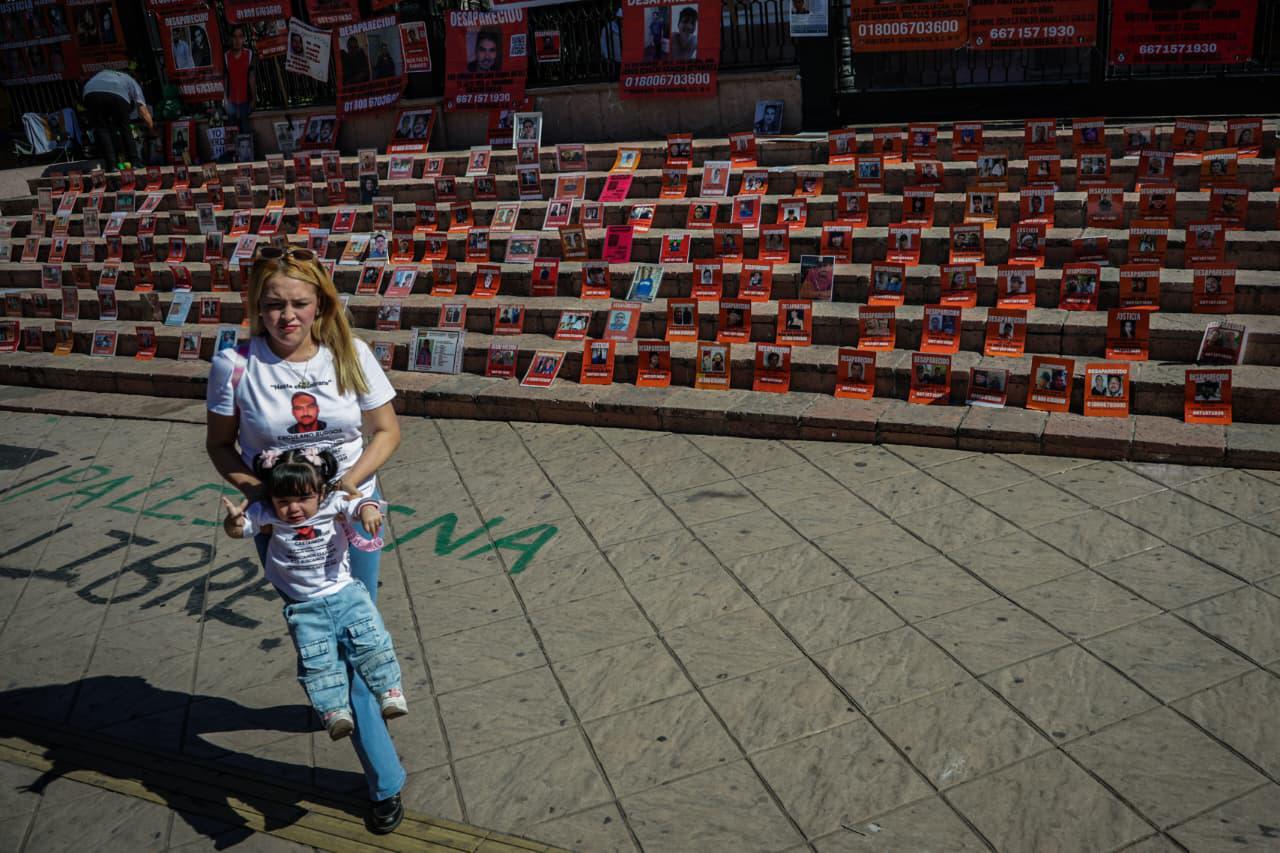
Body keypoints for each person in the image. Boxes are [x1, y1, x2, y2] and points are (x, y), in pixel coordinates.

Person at [205, 247, 406, 834]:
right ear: (256, 306)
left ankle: (383, 778)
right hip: (285, 527)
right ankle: (351, 720)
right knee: (323, 633)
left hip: (352, 516)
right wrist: (264, 497)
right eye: (273, 305)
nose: (286, 316)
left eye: (299, 303)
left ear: (321, 304)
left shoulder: (350, 353)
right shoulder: (234, 365)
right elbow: (220, 444)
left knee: (353, 632)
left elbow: (387, 431)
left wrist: (346, 486)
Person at [220, 447, 408, 739]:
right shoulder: (266, 514)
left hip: (346, 593)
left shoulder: (332, 504)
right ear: (272, 499)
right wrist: (233, 522)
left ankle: (389, 691)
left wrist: (369, 510)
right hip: (304, 606)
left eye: (303, 499)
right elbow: (239, 530)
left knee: (371, 640)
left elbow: (358, 504)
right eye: (284, 502)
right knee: (317, 661)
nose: (294, 508)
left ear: (320, 493)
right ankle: (334, 711)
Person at [83, 68, 154, 170]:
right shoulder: (131, 80)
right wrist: (151, 129)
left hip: (90, 93)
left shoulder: (104, 74)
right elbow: (143, 110)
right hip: (116, 93)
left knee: (102, 129)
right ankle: (134, 162)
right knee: (125, 128)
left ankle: (111, 166)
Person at [224, 25, 256, 133]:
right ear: (230, 38)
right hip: (231, 102)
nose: (237, 40)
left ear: (244, 39)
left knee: (245, 132)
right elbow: (225, 79)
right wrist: (225, 99)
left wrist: (253, 99)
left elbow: (252, 78)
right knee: (232, 133)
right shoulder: (226, 56)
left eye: (240, 36)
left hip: (245, 101)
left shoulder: (249, 54)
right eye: (234, 36)